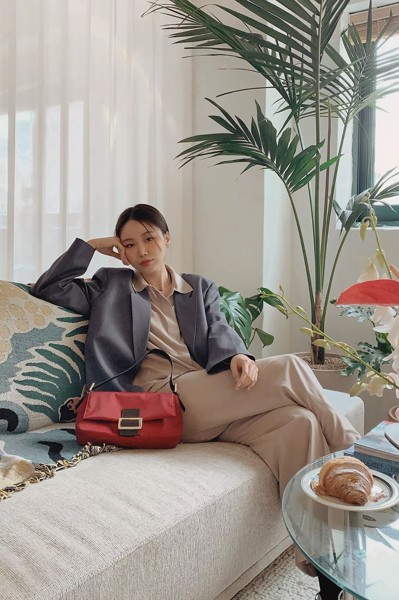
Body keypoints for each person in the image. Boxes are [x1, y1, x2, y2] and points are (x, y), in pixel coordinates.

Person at [31, 203, 360, 581]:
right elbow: (48, 288)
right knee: (290, 367)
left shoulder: (199, 288)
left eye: (149, 238)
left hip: (210, 400)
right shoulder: (111, 285)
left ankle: (321, 559)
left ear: (167, 239)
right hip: (160, 403)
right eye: (130, 244)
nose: (142, 251)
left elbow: (220, 330)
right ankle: (354, 450)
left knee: (300, 423)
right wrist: (91, 246)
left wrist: (239, 356)